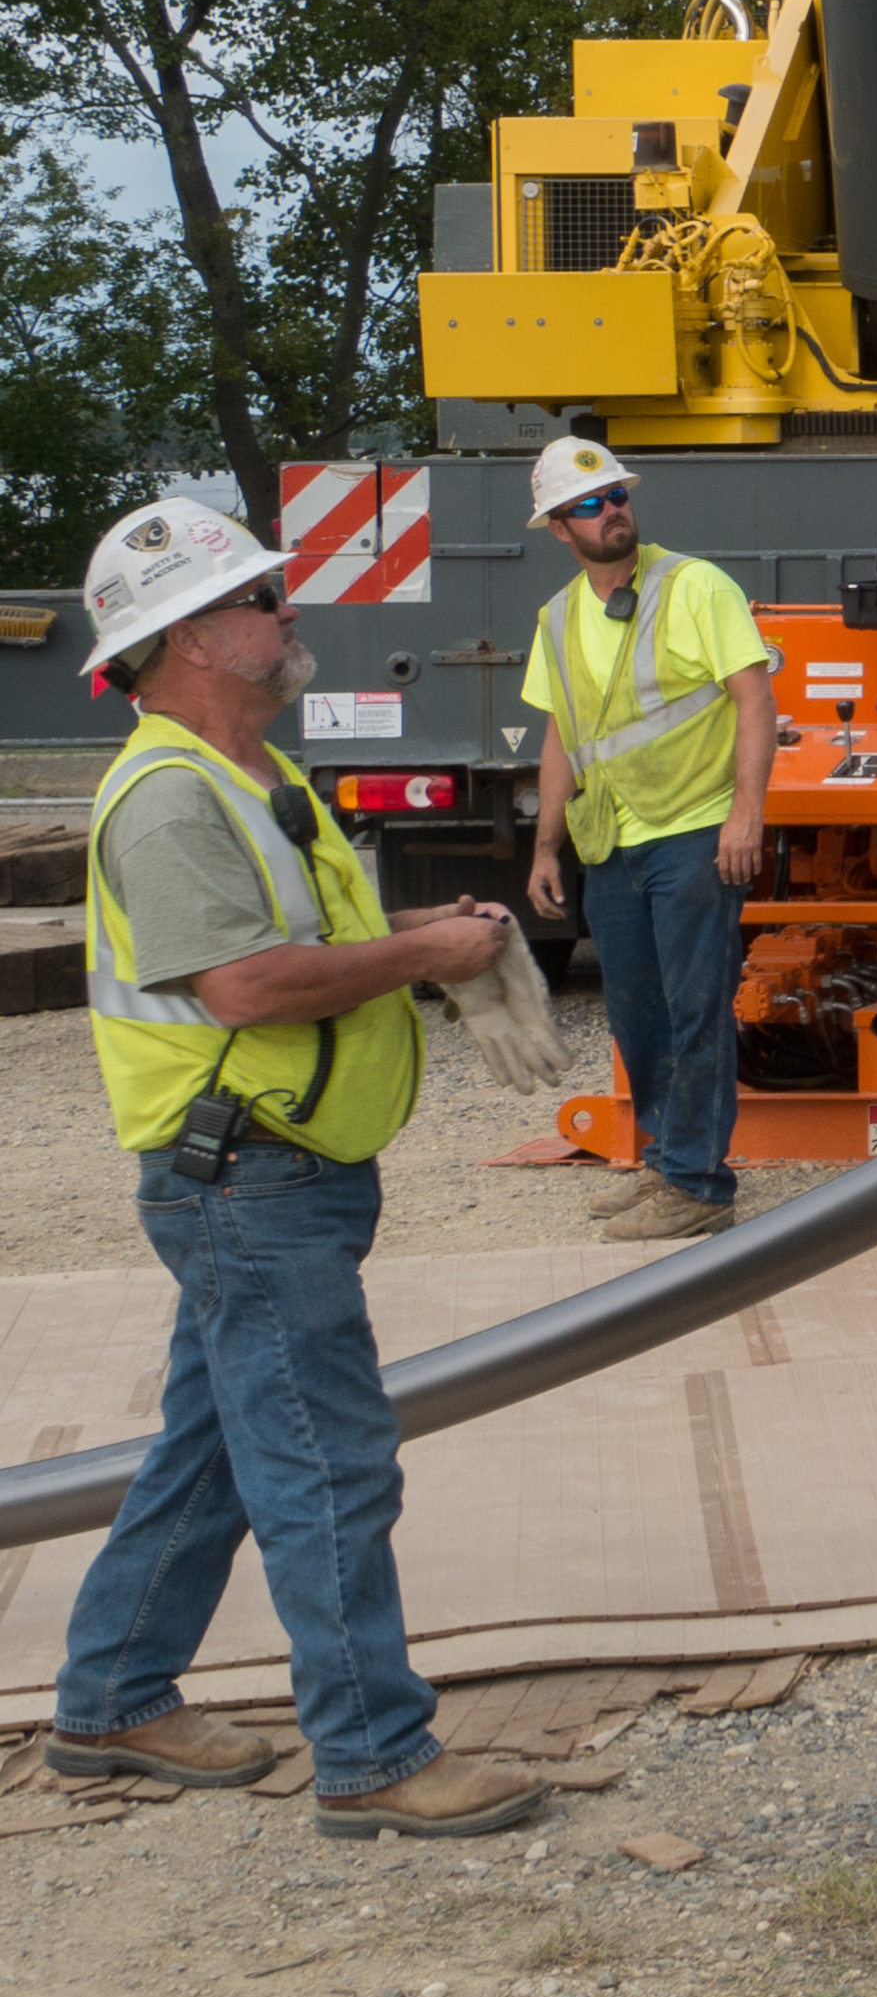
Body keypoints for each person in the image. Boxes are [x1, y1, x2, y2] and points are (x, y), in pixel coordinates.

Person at [44, 502, 552, 1839]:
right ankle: (375, 1755)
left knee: (213, 1452)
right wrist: (423, 959)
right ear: (197, 638)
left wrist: (425, 931)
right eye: (265, 599)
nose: (290, 615)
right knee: (326, 1464)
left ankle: (110, 1696)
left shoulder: (245, 778)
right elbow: (248, 985)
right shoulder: (170, 799)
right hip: (245, 1178)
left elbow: (297, 941)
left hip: (268, 1173)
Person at [518, 437, 776, 1243]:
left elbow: (753, 699)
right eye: (589, 506)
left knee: (695, 1010)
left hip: (694, 830)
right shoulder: (557, 618)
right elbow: (562, 738)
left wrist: (745, 814)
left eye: (618, 496)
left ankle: (700, 1182)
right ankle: (669, 1162)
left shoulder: (694, 585)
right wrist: (545, 847)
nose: (612, 511)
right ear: (560, 529)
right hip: (610, 840)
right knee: (637, 1017)